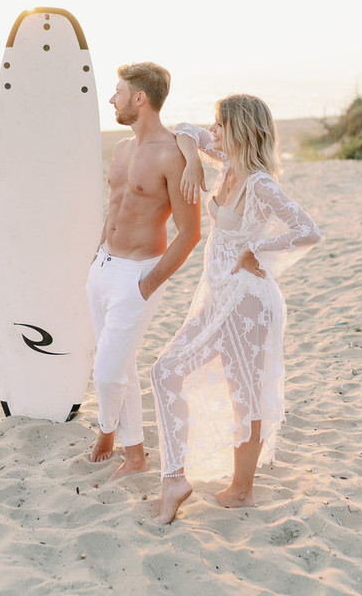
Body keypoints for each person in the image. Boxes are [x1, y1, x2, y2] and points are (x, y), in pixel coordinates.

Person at [150, 94, 321, 523]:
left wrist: (257, 250)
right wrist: (191, 162)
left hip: (248, 302)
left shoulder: (259, 183)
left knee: (245, 392)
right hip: (218, 298)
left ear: (241, 130)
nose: (215, 131)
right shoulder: (227, 166)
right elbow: (184, 130)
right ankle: (176, 475)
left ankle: (242, 490)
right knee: (166, 369)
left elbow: (307, 230)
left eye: (221, 125)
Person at [86, 62, 201, 481]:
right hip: (102, 269)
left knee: (106, 372)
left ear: (140, 99)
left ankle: (107, 432)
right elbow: (115, 206)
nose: (111, 98)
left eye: (118, 91)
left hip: (138, 276)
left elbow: (190, 234)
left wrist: (147, 285)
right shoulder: (121, 148)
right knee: (121, 367)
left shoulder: (173, 155)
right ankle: (134, 456)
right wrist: (98, 252)